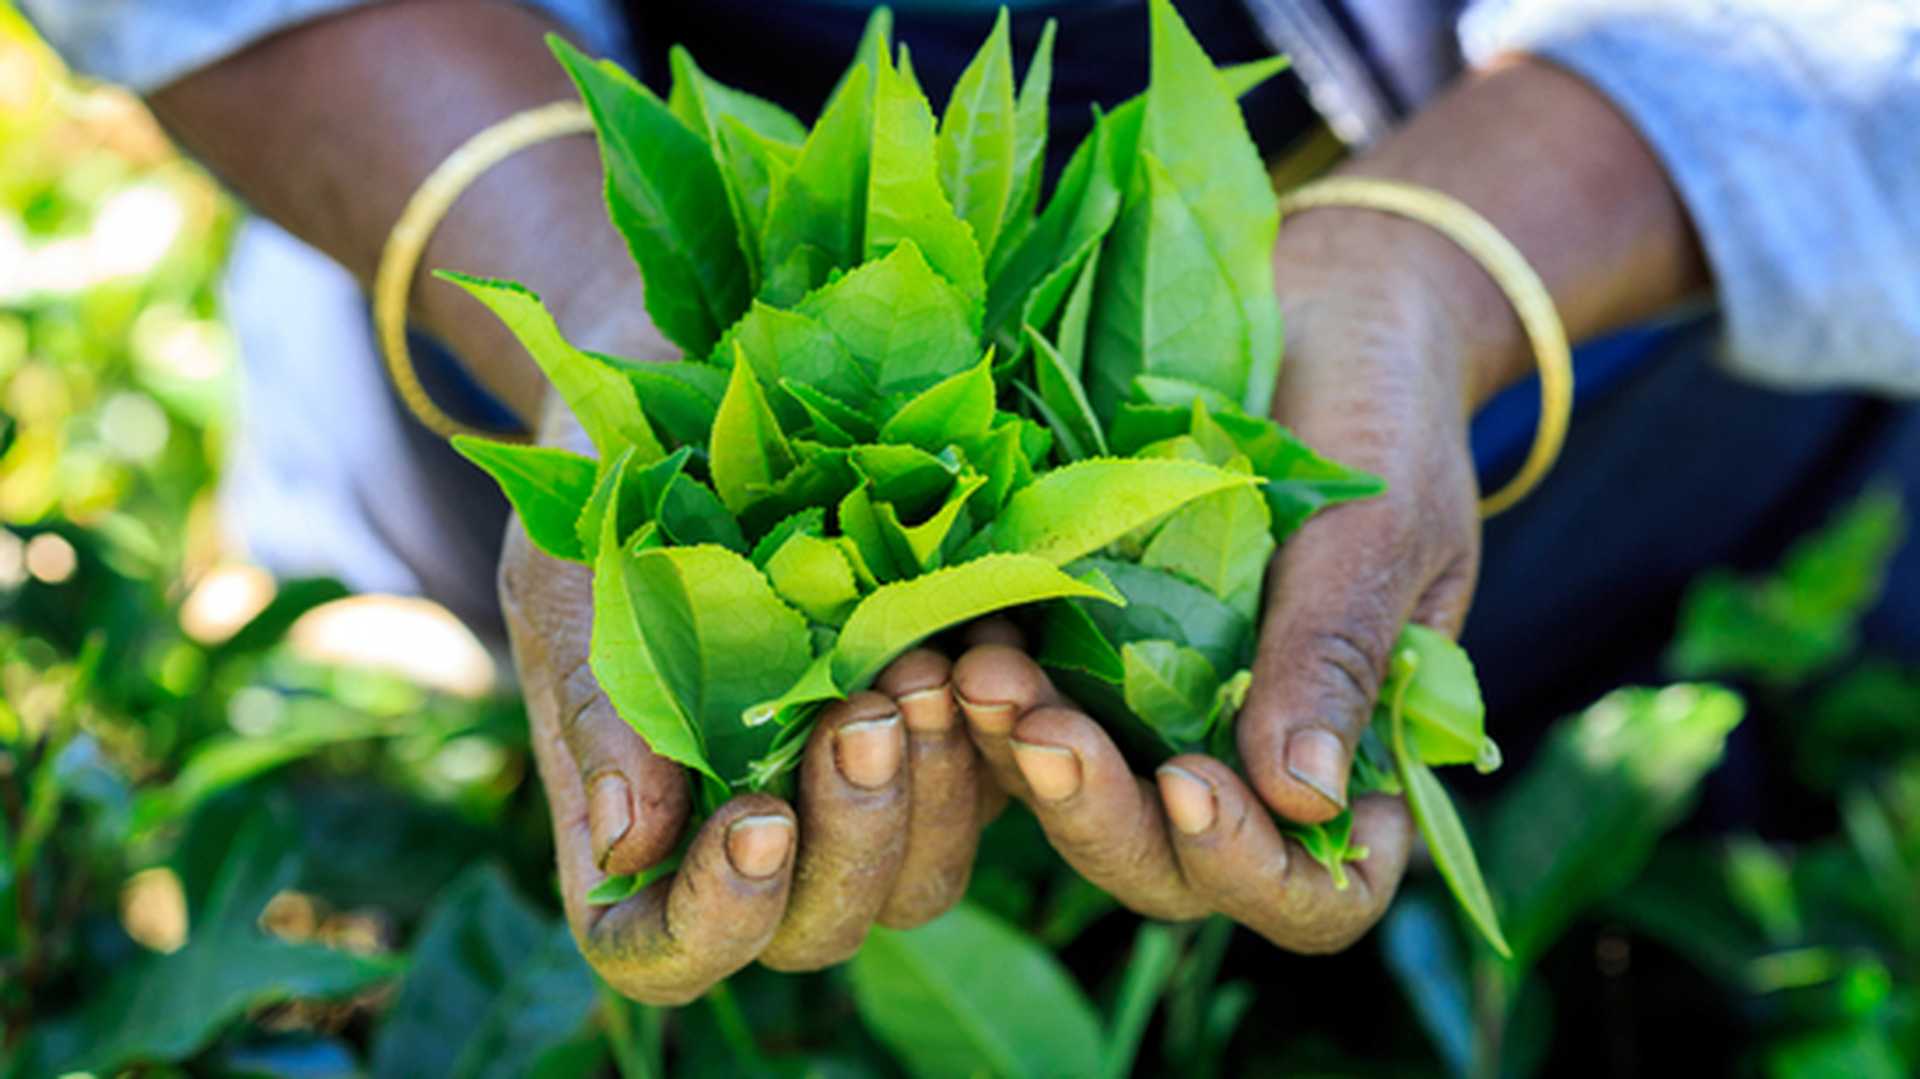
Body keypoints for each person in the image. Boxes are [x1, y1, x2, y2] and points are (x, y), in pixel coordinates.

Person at [25, 0, 1920, 1004]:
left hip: (1584, 302)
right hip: (527, 214)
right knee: (448, 677)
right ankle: (388, 594)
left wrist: (1422, 268)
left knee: (1700, 686)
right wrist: (595, 321)